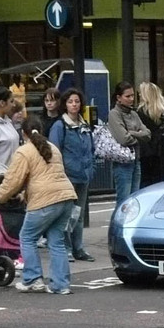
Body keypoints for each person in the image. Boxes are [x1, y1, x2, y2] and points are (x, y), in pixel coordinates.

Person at [0, 115, 77, 294]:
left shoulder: (24, 151)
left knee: (27, 237)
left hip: (45, 200)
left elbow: (13, 181)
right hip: (66, 197)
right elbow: (44, 175)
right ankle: (60, 285)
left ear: (23, 133)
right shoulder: (53, 148)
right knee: (57, 241)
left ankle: (33, 279)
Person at [49, 87, 96, 263]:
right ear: (65, 104)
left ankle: (79, 248)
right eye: (70, 101)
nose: (74, 104)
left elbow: (91, 149)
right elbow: (54, 151)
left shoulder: (84, 125)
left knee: (79, 214)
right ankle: (67, 248)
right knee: (67, 214)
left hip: (83, 176)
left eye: (76, 101)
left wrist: (91, 169)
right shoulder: (60, 126)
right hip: (67, 177)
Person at [108, 81, 151, 204]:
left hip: (136, 160)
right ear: (118, 98)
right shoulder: (114, 114)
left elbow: (147, 134)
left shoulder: (133, 113)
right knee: (124, 201)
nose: (131, 99)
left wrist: (132, 133)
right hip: (122, 163)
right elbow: (123, 139)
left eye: (133, 95)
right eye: (128, 96)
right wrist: (138, 135)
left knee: (134, 200)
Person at [136, 81, 164, 188]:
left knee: (145, 182)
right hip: (161, 152)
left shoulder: (139, 112)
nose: (139, 95)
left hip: (145, 152)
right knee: (160, 182)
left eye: (140, 93)